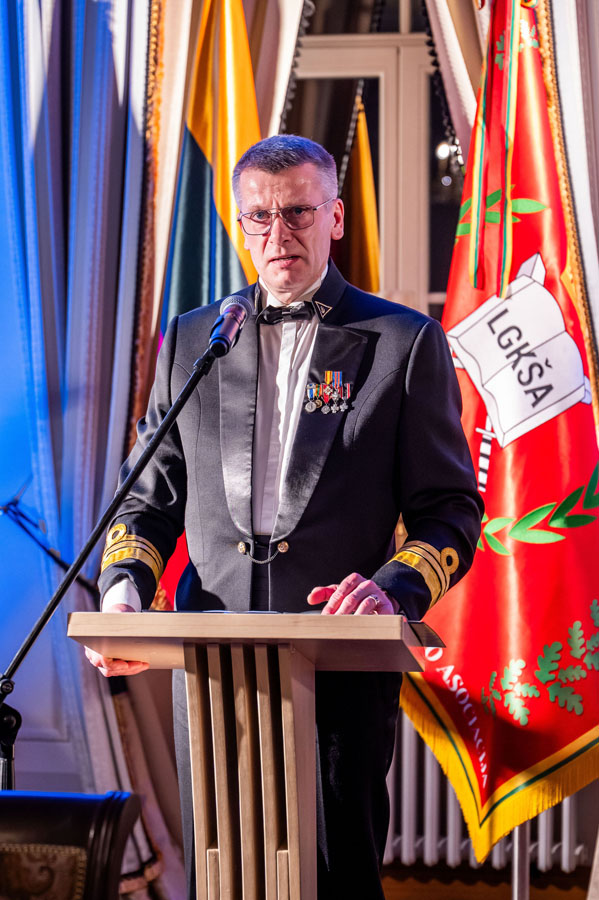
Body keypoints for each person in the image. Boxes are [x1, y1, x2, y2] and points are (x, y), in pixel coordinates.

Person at [86, 135, 483, 899]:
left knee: (335, 877)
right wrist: (121, 593)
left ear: (335, 217)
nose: (279, 234)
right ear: (240, 225)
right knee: (222, 875)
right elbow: (147, 496)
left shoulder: (402, 342)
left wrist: (391, 590)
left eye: (298, 212)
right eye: (259, 217)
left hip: (338, 666)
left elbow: (449, 512)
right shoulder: (193, 340)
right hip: (210, 665)